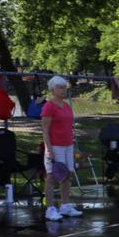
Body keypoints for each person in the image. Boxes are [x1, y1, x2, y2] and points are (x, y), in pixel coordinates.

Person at [40, 76, 82, 222]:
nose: (63, 90)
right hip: (55, 146)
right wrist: (49, 149)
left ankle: (65, 206)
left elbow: (68, 127)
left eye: (64, 87)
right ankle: (50, 209)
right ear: (53, 89)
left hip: (68, 145)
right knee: (52, 177)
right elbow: (45, 130)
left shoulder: (66, 106)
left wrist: (72, 144)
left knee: (67, 175)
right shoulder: (49, 106)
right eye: (60, 87)